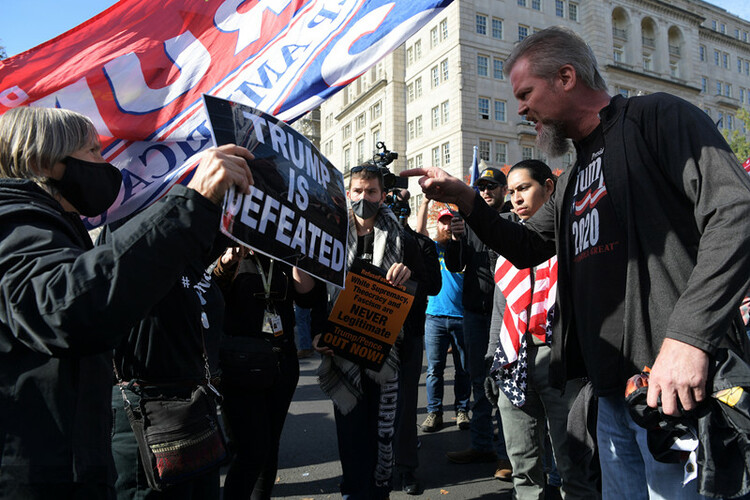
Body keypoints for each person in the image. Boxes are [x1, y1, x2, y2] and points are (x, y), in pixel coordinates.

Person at [403, 25, 750, 499]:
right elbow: (525, 247)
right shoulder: (571, 180)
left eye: (526, 93)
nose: (522, 108)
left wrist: (690, 339)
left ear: (566, 77)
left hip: (674, 386)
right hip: (608, 393)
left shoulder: (657, 118)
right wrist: (467, 199)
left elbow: (736, 212)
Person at [0, 106, 253, 499]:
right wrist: (190, 204)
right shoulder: (13, 223)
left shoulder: (51, 227)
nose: (106, 164)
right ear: (44, 162)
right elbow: (67, 309)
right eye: (92, 152)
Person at [488, 160, 598, 499]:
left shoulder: (572, 239)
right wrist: (492, 357)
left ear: (549, 188)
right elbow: (501, 306)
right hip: (514, 359)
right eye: (511, 192)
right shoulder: (508, 246)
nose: (516, 199)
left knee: (573, 466)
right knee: (523, 466)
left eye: (524, 188)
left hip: (561, 362)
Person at [313, 163, 423, 500]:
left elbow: (429, 282)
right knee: (350, 429)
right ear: (348, 194)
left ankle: (378, 490)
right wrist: (319, 332)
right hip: (343, 350)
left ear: (383, 195)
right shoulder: (330, 235)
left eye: (371, 192)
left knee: (381, 430)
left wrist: (409, 273)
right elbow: (317, 289)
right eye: (358, 192)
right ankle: (352, 488)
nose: (364, 198)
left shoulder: (401, 235)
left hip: (385, 354)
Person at [212, 246, 317, 499]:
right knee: (251, 449)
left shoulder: (285, 249)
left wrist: (298, 258)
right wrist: (227, 261)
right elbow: (211, 292)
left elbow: (307, 297)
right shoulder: (230, 244)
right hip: (240, 366)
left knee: (269, 448)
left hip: (281, 364)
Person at [444, 167, 512, 480]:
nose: (486, 192)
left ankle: (508, 455)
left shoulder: (514, 222)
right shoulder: (467, 223)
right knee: (478, 383)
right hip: (474, 313)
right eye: (481, 187)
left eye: (492, 187)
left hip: (507, 316)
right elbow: (456, 265)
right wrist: (455, 239)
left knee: (507, 385)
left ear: (504, 191)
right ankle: (482, 445)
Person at [390, 190, 442, 495]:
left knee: (406, 405)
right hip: (372, 334)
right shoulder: (365, 241)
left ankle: (406, 468)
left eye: (399, 208)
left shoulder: (421, 243)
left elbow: (433, 285)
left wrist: (408, 280)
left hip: (409, 334)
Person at [417, 202, 471, 433]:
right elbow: (419, 233)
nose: (447, 226)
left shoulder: (464, 249)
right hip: (435, 318)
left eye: (452, 222)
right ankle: (434, 412)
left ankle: (461, 411)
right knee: (434, 370)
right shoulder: (433, 249)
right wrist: (426, 202)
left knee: (463, 370)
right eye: (444, 222)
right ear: (438, 224)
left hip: (462, 317)